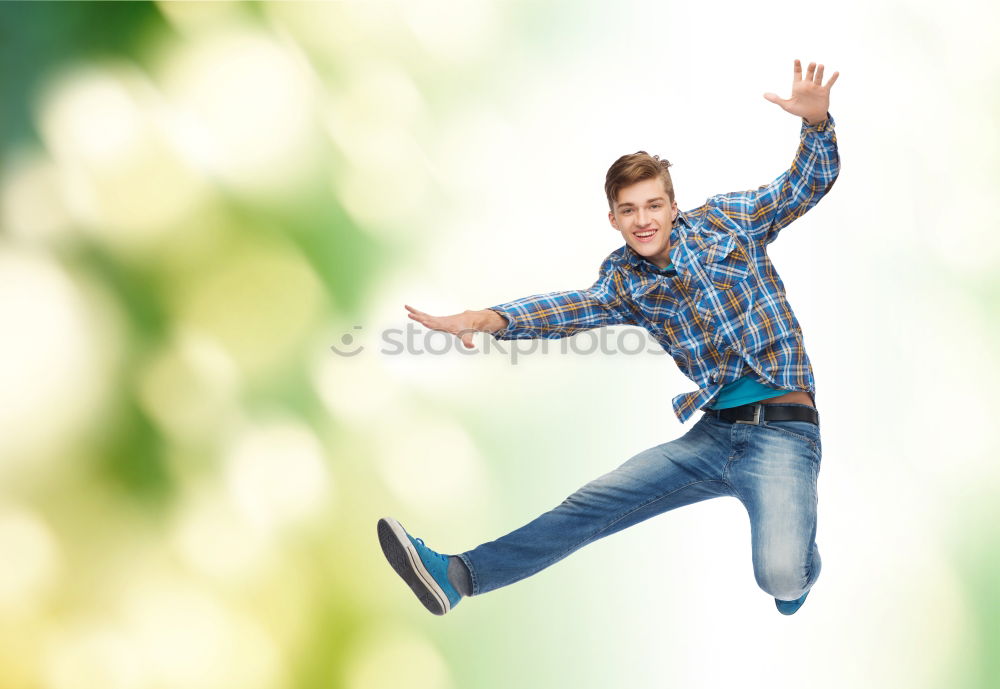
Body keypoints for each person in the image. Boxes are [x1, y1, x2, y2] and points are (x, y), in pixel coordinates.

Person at [377, 59, 840, 617]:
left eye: (653, 205)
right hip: (714, 434)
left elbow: (801, 187)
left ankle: (798, 568)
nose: (643, 220)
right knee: (590, 505)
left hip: (784, 435)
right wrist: (487, 318)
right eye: (629, 210)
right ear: (614, 219)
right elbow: (570, 309)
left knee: (782, 579)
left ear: (673, 205)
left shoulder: (728, 221)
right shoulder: (624, 278)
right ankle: (456, 575)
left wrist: (816, 124)